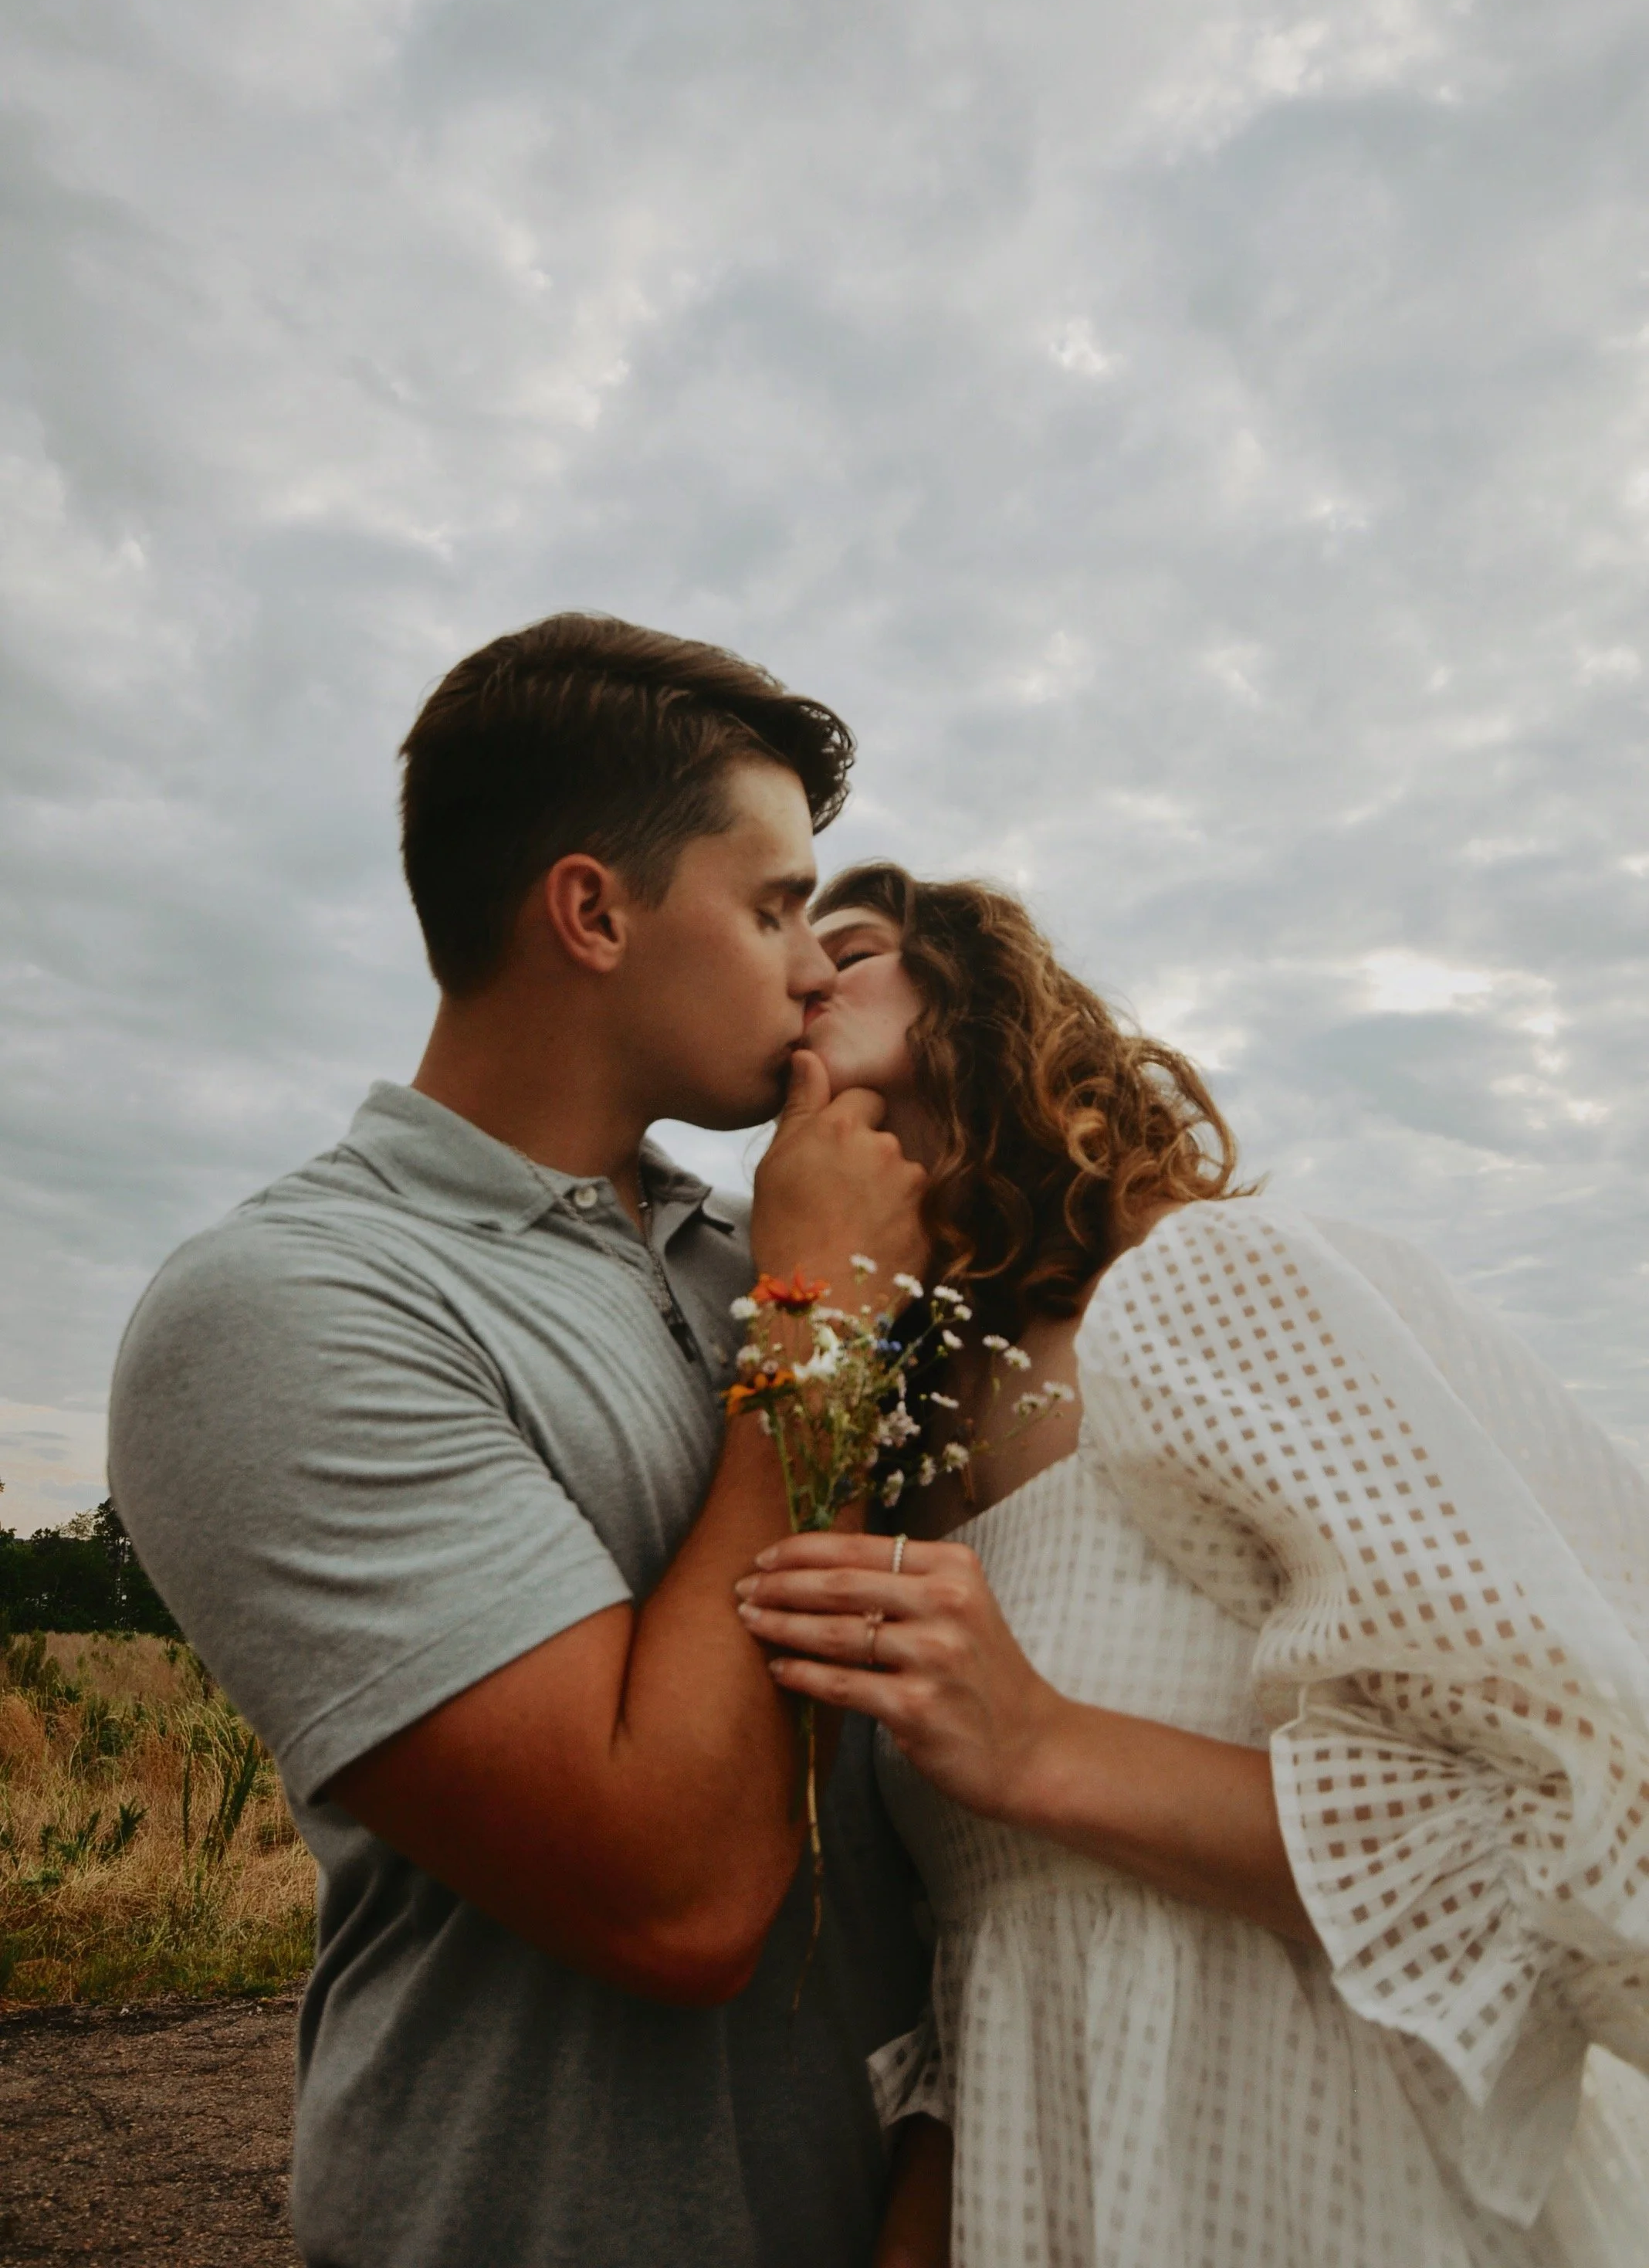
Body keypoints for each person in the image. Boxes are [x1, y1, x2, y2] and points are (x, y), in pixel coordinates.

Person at [107, 620, 933, 2268]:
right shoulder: (287, 1308)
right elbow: (673, 1894)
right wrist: (817, 1330)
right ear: (594, 910)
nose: (813, 966)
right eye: (772, 905)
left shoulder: (758, 1241)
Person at [736, 863, 1649, 2268]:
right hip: (1064, 2197)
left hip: (1331, 2191)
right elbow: (986, 1969)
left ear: (970, 991)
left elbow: (1553, 1803)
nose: (804, 973)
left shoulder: (1188, 1291)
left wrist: (1040, 1742)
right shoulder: (908, 1458)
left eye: (848, 946)